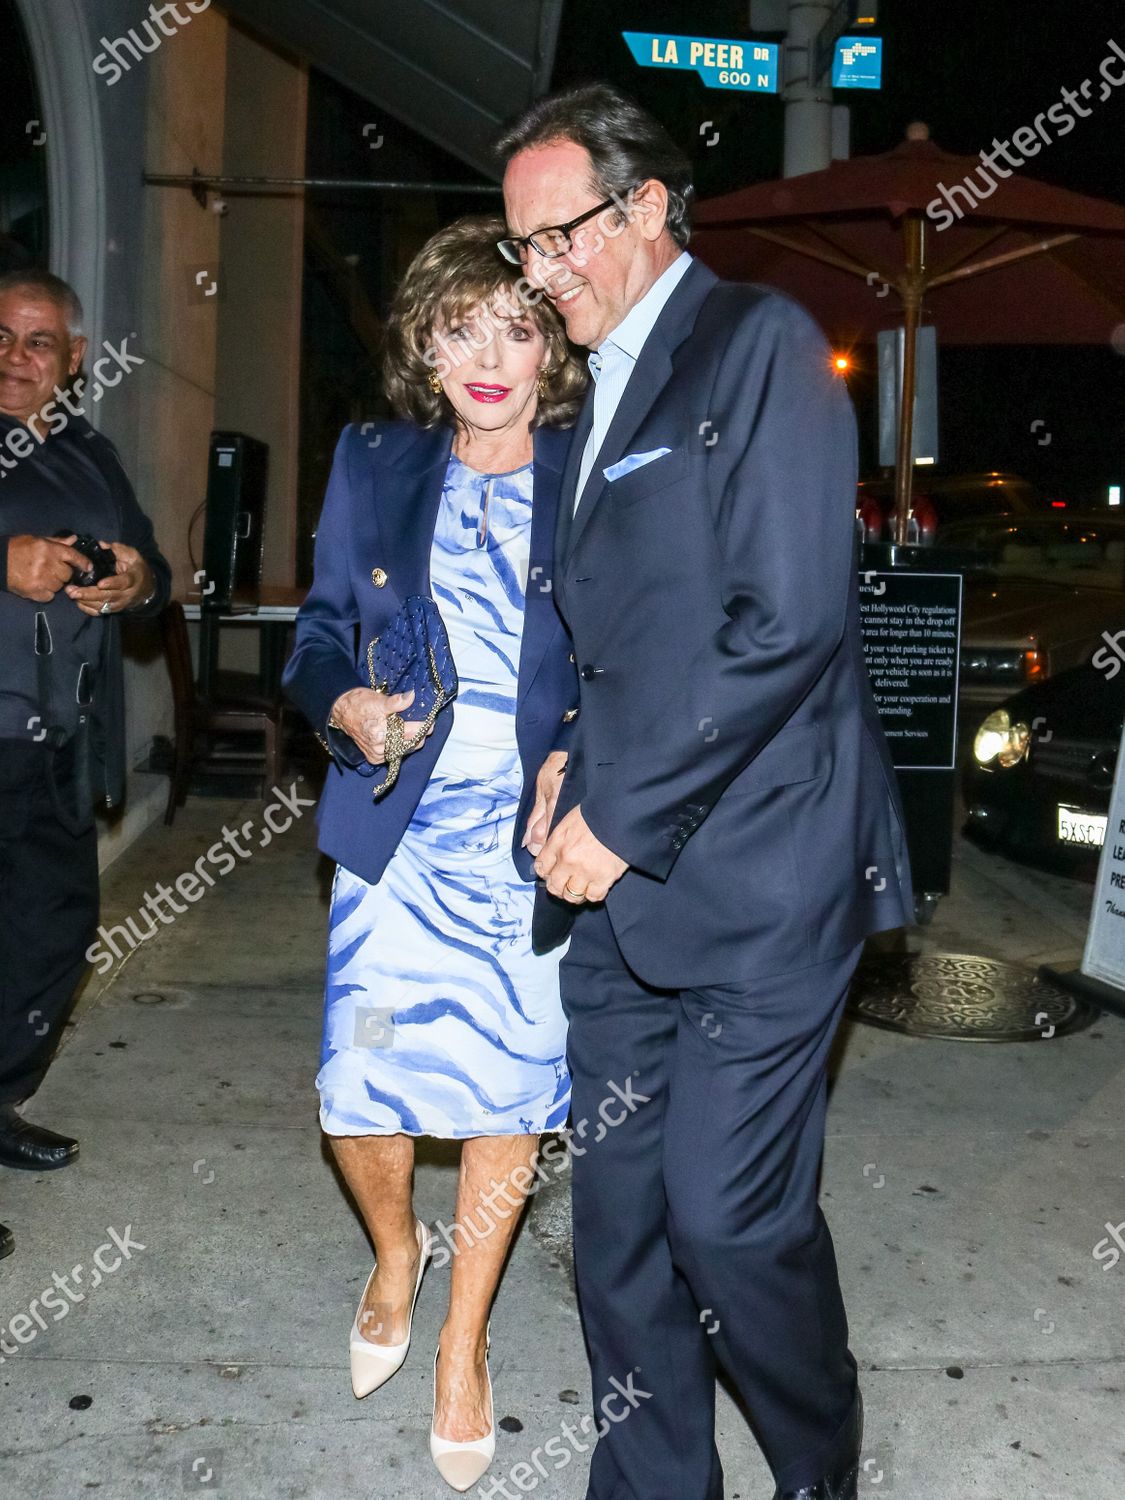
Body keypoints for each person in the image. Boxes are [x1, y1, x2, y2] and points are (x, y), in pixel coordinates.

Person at [498, 85, 915, 1500]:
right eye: (522, 251)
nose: (539, 274)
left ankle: (817, 1460)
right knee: (614, 1219)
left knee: (727, 1222)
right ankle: (655, 1481)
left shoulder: (760, 347)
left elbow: (784, 622)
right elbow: (608, 638)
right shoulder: (591, 393)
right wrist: (564, 757)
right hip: (616, 894)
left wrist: (622, 815)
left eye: (557, 240)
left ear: (646, 208)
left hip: (762, 876)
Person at [283, 216, 585, 1492]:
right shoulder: (375, 461)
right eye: (459, 328)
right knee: (366, 1092)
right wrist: (341, 703)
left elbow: (639, 648)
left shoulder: (591, 469)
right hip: (396, 831)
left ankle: (463, 1343)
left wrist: (592, 754)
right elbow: (316, 637)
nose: (487, 355)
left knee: (509, 1099)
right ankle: (397, 1254)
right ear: (421, 340)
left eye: (514, 326)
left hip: (526, 845)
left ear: (554, 341)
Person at [0, 270, 171, 1256]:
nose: (17, 358)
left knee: (48, 938)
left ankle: (1, 1100)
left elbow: (148, 573)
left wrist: (137, 580)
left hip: (56, 746)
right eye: (3, 337)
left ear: (71, 359)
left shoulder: (91, 454)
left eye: (39, 342)